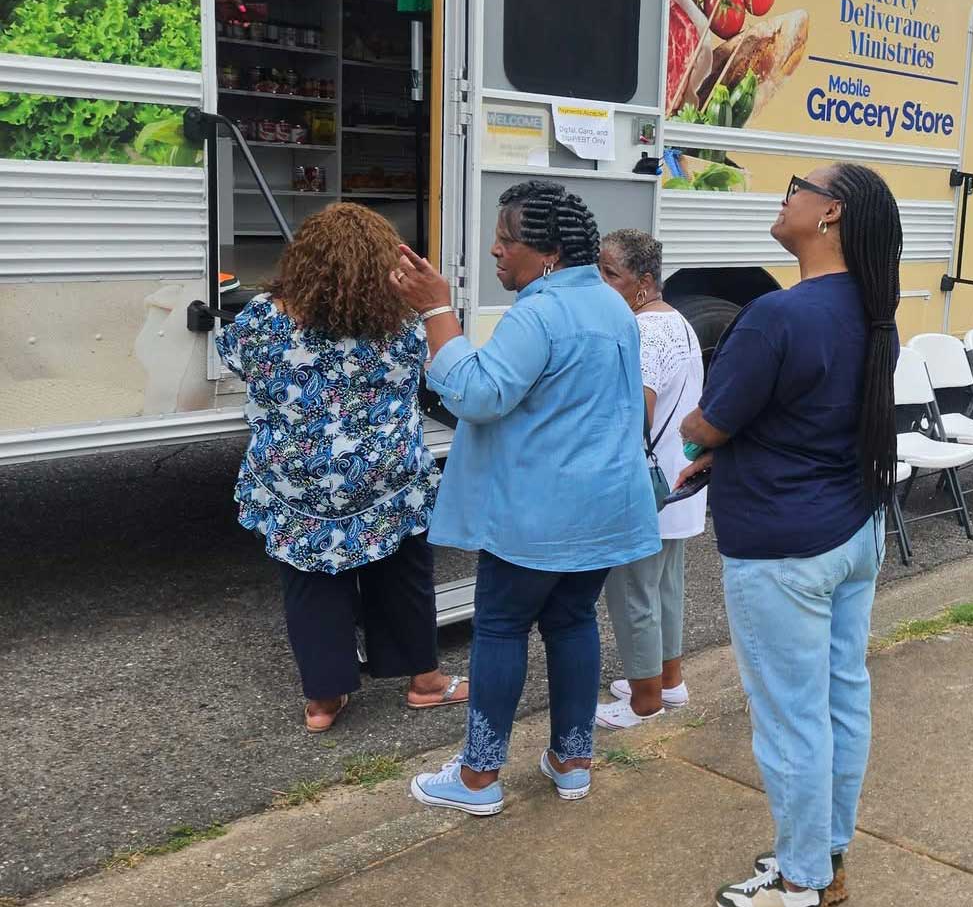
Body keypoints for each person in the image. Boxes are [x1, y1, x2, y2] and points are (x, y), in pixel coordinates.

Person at [676, 165, 902, 907]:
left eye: (799, 186)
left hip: (783, 548)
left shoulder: (776, 315)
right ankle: (825, 856)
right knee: (840, 699)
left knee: (790, 719)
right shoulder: (873, 311)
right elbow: (817, 415)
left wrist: (704, 437)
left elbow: (708, 421)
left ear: (829, 213)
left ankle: (799, 882)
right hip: (853, 529)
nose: (786, 194)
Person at [395, 181, 660, 816]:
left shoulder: (537, 314)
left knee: (501, 628)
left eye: (506, 240)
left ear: (549, 253)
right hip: (603, 507)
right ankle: (572, 761)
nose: (495, 250)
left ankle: (478, 777)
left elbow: (477, 395)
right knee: (572, 623)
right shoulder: (611, 305)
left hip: (538, 514)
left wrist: (436, 311)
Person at [214, 203, 464, 733]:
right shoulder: (403, 325)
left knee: (309, 583)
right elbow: (442, 369)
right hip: (386, 478)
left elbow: (234, 359)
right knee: (402, 573)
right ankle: (424, 682)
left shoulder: (261, 318)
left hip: (296, 482)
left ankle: (323, 702)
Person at [594, 229, 705, 728]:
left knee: (633, 594)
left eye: (609, 273)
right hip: (675, 481)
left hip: (643, 487)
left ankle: (644, 700)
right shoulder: (677, 322)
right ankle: (668, 680)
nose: (600, 282)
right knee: (664, 588)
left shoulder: (643, 331)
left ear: (642, 282)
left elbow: (637, 410)